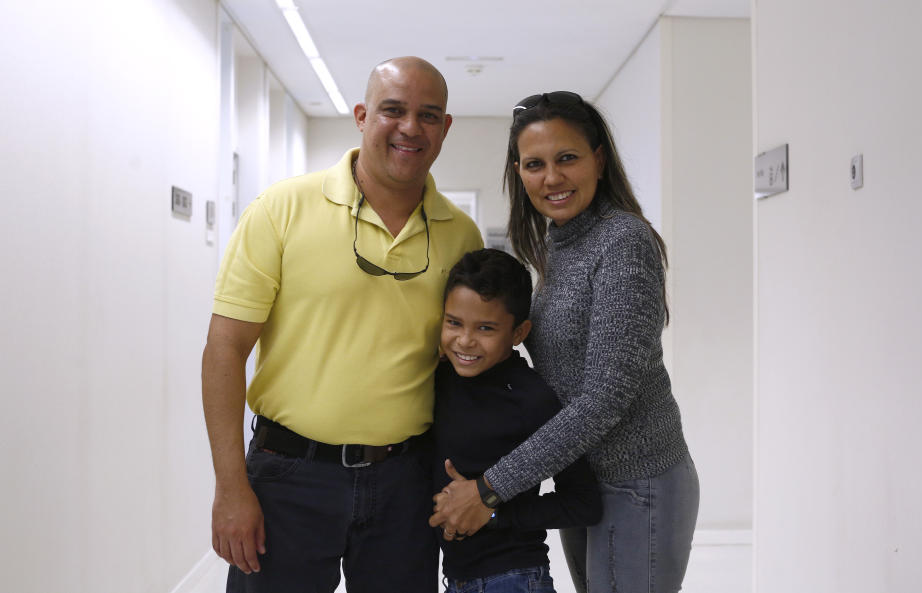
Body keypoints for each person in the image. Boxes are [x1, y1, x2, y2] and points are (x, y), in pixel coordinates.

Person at [201, 56, 482, 593]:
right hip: (289, 477)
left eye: (428, 116)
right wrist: (230, 486)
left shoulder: (461, 234)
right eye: (393, 111)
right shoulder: (282, 209)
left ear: (445, 128)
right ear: (361, 115)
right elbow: (225, 349)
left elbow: (468, 364)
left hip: (405, 483)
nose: (410, 128)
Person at [430, 91, 699, 593]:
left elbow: (603, 399)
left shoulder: (622, 242)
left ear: (598, 159)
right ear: (519, 172)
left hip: (636, 481)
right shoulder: (558, 240)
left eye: (567, 158)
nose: (551, 178)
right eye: (535, 164)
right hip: (586, 479)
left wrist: (490, 490)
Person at [433, 248, 602, 593]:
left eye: (486, 328)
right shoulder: (439, 377)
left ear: (518, 333)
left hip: (514, 579)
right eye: (454, 322)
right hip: (456, 580)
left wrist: (493, 512)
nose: (465, 340)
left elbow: (584, 503)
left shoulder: (531, 398)